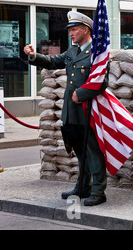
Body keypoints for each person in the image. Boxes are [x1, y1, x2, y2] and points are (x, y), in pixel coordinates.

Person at [24, 11, 109, 206]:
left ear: (85, 30)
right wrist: (33, 56)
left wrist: (82, 93)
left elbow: (102, 81)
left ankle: (98, 191)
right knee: (80, 151)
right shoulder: (73, 51)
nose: (71, 33)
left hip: (89, 109)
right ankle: (82, 188)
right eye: (70, 30)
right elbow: (53, 62)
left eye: (74, 29)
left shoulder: (97, 52)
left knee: (93, 150)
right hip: (72, 110)